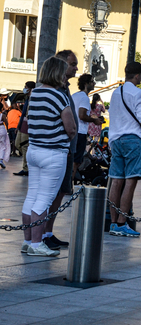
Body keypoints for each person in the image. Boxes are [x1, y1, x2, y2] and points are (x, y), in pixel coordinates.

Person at [21, 56, 77, 256]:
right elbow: (70, 128)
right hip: (53, 152)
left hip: (34, 150)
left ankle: (27, 241)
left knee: (32, 196)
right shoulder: (59, 95)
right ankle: (37, 244)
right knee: (44, 199)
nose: (65, 77)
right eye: (63, 72)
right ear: (56, 73)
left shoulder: (34, 93)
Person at [43, 50, 79, 251]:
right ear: (61, 64)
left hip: (66, 149)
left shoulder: (65, 87)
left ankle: (48, 231)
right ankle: (42, 233)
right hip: (59, 148)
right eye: (72, 64)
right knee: (52, 192)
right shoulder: (55, 89)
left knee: (61, 192)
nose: (76, 68)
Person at [108, 62, 141, 238]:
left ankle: (112, 222)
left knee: (116, 181)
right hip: (132, 139)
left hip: (115, 139)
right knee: (130, 182)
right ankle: (122, 222)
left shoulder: (116, 92)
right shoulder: (138, 93)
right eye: (140, 75)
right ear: (137, 76)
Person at [72, 74, 103, 179]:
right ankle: (69, 184)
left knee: (70, 159)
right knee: (76, 161)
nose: (94, 83)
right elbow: (82, 116)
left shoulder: (75, 95)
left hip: (71, 130)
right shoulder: (84, 98)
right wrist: (94, 120)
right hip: (80, 132)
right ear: (86, 84)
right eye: (92, 81)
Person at [13, 81, 35, 176]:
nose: (24, 88)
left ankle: (26, 168)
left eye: (25, 87)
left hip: (28, 124)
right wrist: (19, 126)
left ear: (30, 89)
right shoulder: (27, 98)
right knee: (18, 144)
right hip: (23, 124)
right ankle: (29, 162)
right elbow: (23, 114)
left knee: (25, 146)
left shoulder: (33, 99)